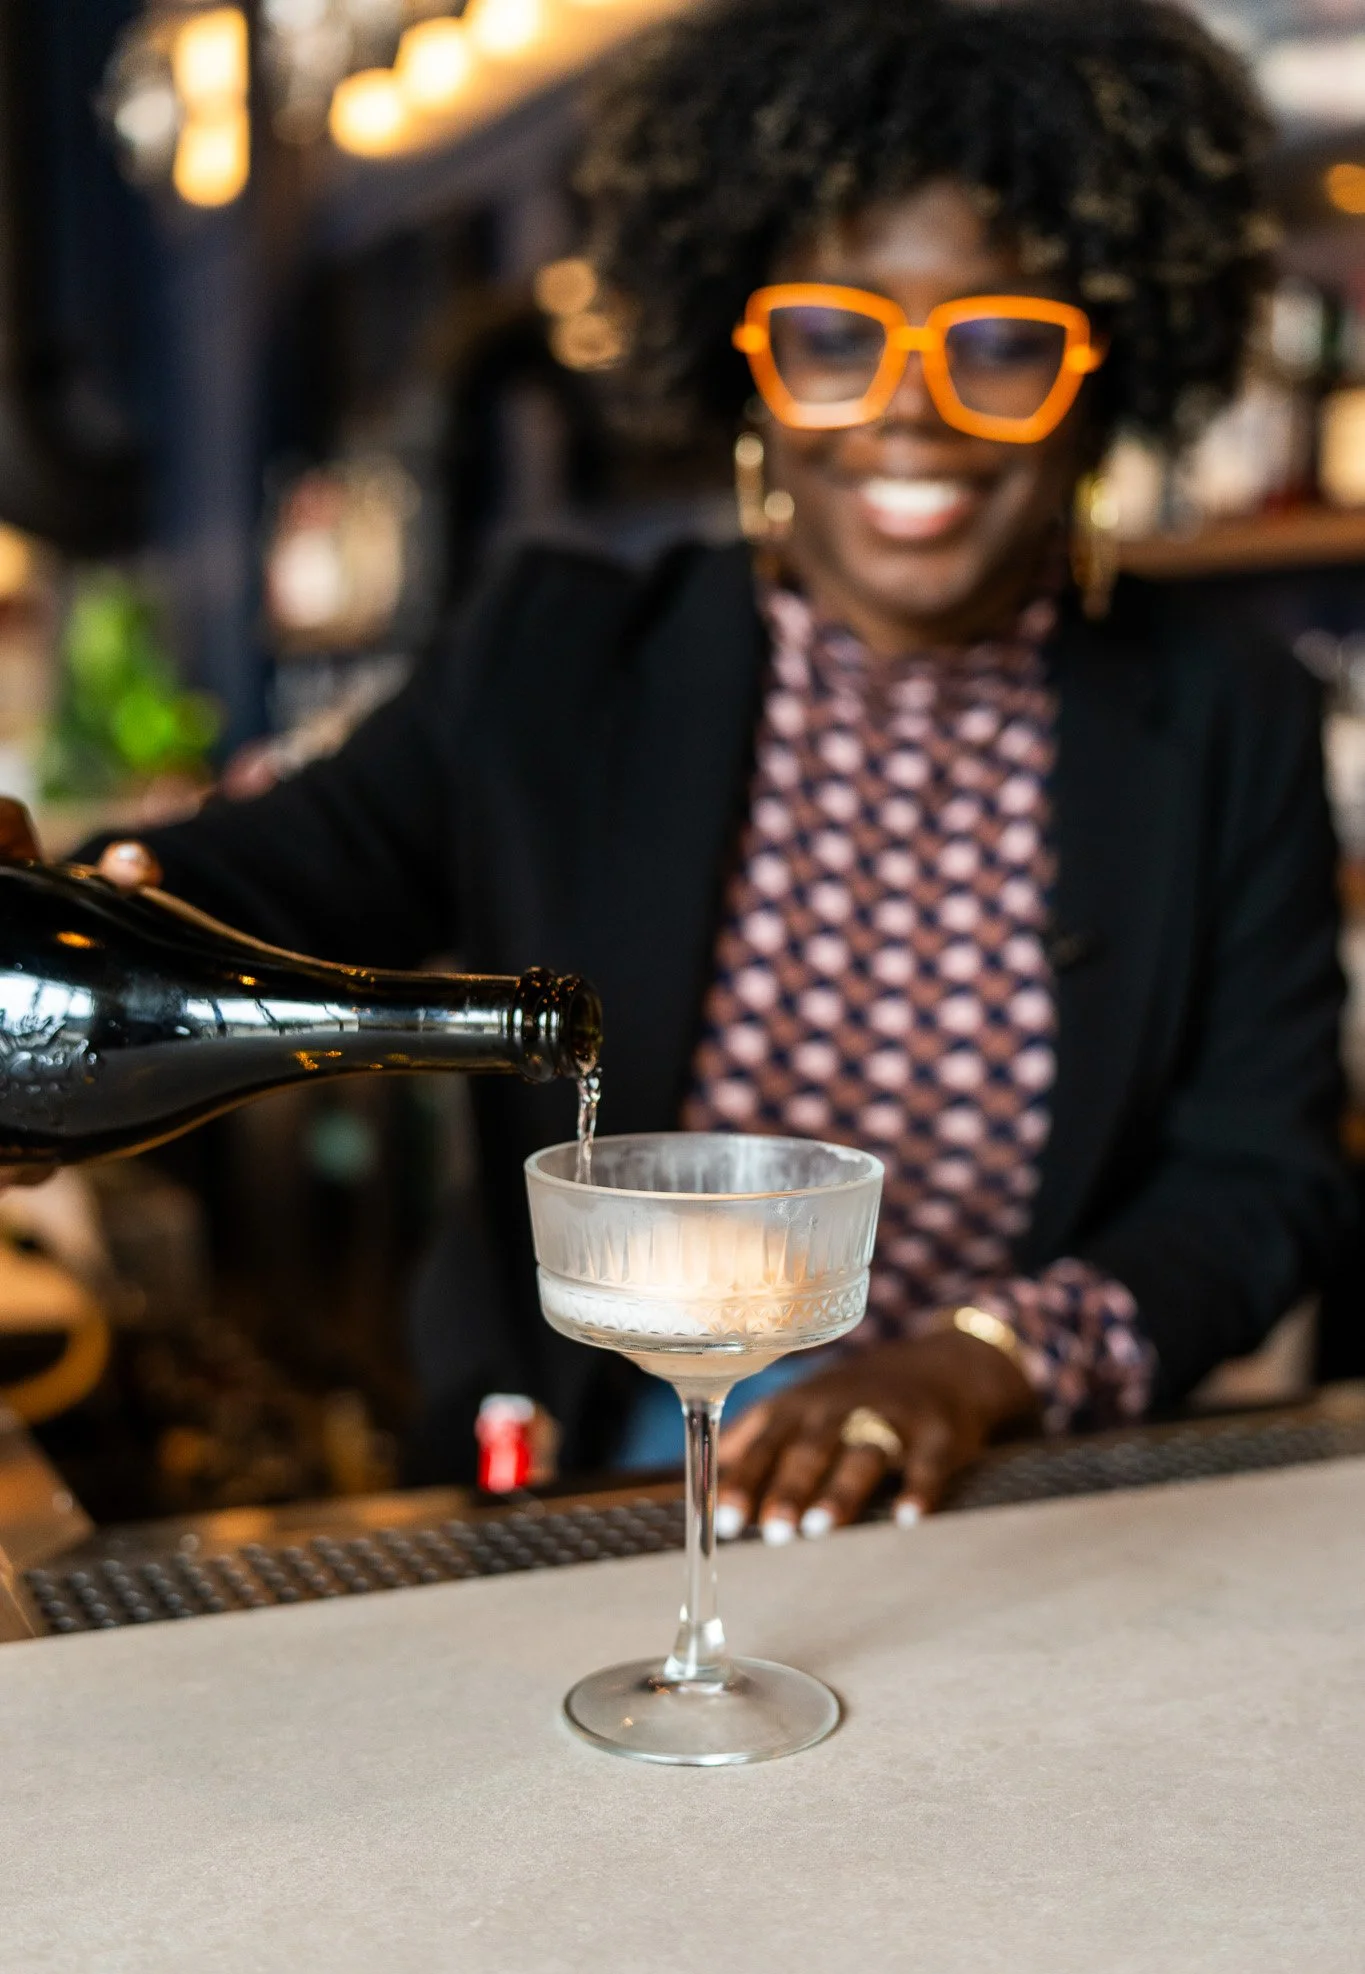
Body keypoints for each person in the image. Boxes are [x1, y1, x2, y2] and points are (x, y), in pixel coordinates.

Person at [27, 0, 1353, 1535]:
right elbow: (266, 889)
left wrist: (980, 1368)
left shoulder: (1223, 712)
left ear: (1100, 388)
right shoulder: (558, 657)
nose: (906, 408)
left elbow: (1266, 1177)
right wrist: (56, 917)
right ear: (754, 374)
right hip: (583, 1497)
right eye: (834, 338)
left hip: (1011, 1503)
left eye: (997, 346)